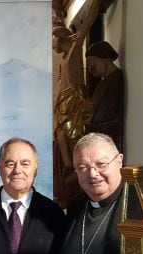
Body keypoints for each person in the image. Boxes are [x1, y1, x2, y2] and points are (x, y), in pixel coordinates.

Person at [52, 1, 100, 203]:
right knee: (60, 134)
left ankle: (76, 176)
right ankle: (69, 166)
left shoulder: (74, 49)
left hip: (73, 105)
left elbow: (88, 21)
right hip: (64, 105)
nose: (53, 42)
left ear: (63, 37)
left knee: (72, 138)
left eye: (55, 38)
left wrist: (94, 3)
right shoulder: (63, 60)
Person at [85, 41, 124, 154]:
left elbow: (110, 112)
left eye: (92, 62)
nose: (90, 67)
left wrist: (93, 118)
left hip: (108, 139)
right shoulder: (105, 81)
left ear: (104, 59)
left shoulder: (116, 78)